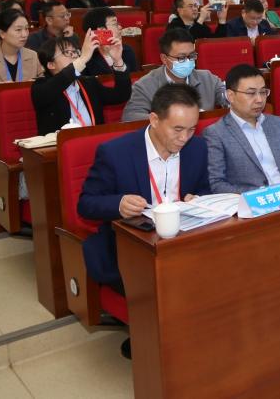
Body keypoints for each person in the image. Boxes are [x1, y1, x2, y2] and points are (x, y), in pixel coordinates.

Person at [78, 83, 209, 358]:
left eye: (191, 129)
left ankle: (196, 339)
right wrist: (118, 203)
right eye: (177, 129)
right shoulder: (116, 152)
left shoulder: (197, 148)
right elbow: (86, 204)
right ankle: (158, 344)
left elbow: (205, 190)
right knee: (167, 285)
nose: (185, 138)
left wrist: (197, 199)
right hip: (131, 245)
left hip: (182, 239)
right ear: (154, 119)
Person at [204, 64, 280, 194]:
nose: (259, 99)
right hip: (254, 201)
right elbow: (217, 184)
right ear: (230, 96)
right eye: (251, 93)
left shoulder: (276, 123)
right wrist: (260, 195)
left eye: (263, 92)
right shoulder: (216, 133)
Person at [31, 31, 130, 134]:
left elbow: (121, 95)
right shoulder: (40, 87)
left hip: (93, 140)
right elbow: (61, 79)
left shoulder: (89, 83)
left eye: (75, 52)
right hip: (60, 143)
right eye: (67, 52)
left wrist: (118, 61)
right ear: (51, 65)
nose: (74, 55)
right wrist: (83, 58)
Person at [122, 29, 228, 121]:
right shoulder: (145, 85)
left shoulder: (207, 78)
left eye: (191, 56)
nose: (188, 61)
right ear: (164, 59)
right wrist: (170, 118)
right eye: (181, 58)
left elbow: (228, 97)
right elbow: (130, 116)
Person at [80, 7, 138, 75]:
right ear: (101, 30)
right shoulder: (87, 58)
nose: (120, 27)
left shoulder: (127, 51)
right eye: (115, 24)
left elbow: (135, 78)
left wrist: (118, 61)